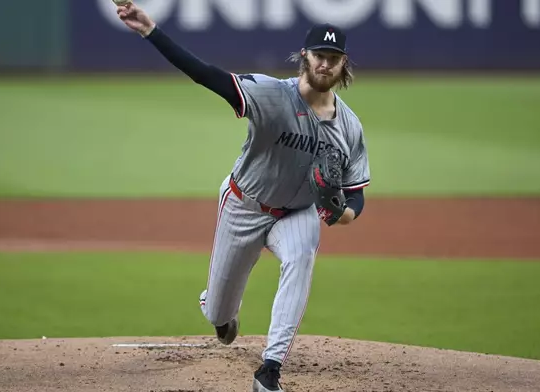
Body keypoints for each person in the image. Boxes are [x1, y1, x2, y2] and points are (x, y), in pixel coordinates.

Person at [116, 3, 371, 391]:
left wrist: (341, 214)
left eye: (333, 59)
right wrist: (151, 31)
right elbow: (205, 75)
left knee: (302, 256)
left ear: (343, 64)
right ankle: (218, 311)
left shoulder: (350, 127)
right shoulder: (270, 94)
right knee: (219, 313)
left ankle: (270, 369)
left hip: (296, 213)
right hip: (244, 205)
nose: (325, 64)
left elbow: (355, 197)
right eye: (320, 56)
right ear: (305, 57)